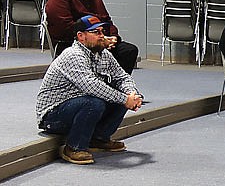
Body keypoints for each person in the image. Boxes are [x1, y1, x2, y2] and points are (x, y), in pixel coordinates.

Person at [36, 15, 144, 165]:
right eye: (96, 32)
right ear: (81, 36)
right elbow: (91, 86)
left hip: (79, 106)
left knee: (117, 95)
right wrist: (125, 100)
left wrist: (132, 94)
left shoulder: (103, 54)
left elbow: (122, 77)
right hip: (53, 116)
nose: (102, 36)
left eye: (102, 31)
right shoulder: (72, 55)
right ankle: (74, 148)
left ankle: (98, 139)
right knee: (95, 102)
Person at [45, 0, 139, 74]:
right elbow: (65, 28)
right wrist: (99, 40)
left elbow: (107, 20)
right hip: (72, 43)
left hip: (99, 40)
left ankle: (116, 87)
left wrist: (114, 37)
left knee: (129, 51)